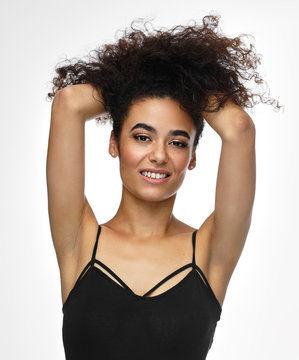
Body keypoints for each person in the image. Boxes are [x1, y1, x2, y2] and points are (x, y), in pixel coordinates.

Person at [46, 14, 280, 360]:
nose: (158, 155)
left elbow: (238, 127)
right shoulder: (78, 242)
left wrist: (182, 82)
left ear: (193, 157)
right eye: (142, 136)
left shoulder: (209, 253)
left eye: (177, 142)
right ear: (114, 143)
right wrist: (140, 81)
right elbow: (69, 103)